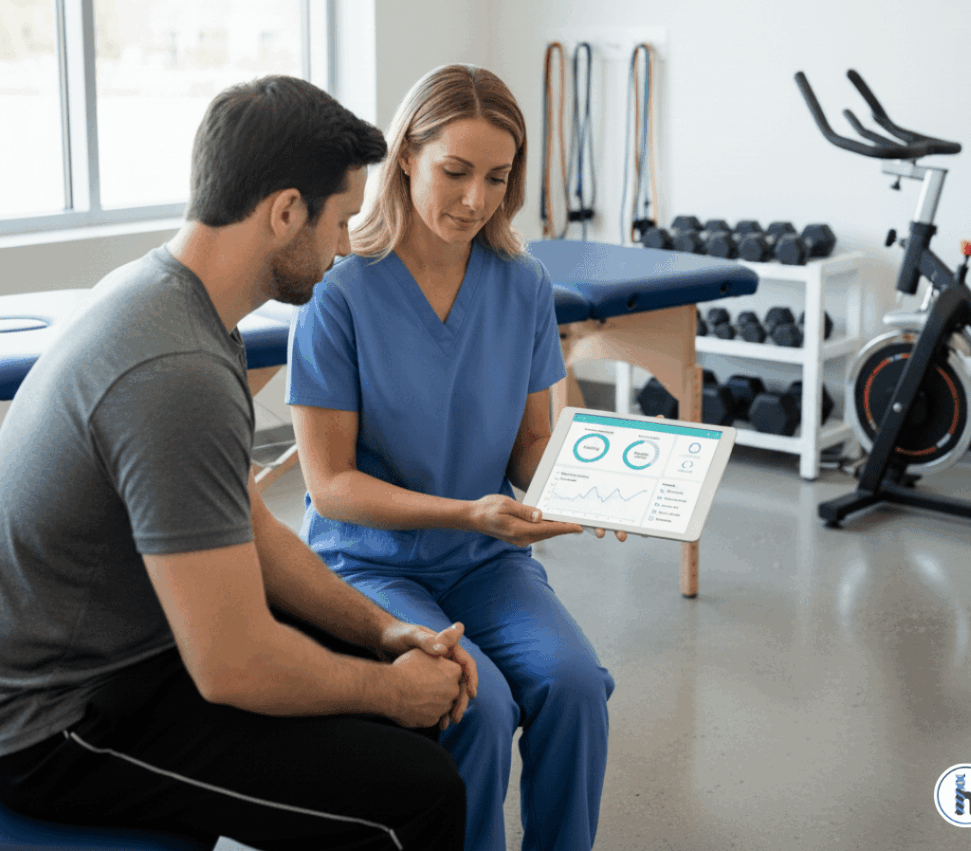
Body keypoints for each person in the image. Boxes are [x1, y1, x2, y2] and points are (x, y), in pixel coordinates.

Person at [0, 76, 477, 851]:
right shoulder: (177, 371)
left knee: (395, 712)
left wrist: (385, 632)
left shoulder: (174, 296)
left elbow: (252, 528)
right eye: (340, 221)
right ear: (286, 211)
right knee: (419, 796)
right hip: (58, 721)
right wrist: (390, 693)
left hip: (131, 647)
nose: (345, 246)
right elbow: (232, 666)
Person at [287, 64, 620, 851]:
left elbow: (533, 445)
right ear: (406, 157)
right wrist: (470, 512)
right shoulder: (340, 295)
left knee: (576, 686)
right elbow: (330, 487)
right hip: (370, 564)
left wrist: (595, 487)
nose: (476, 200)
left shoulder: (523, 285)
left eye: (497, 179)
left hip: (484, 563)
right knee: (481, 702)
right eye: (456, 171)